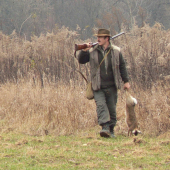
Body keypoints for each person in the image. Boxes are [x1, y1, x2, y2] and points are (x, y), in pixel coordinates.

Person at [77, 28, 130, 138]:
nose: (98, 39)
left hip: (112, 86)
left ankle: (111, 130)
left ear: (107, 39)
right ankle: (104, 127)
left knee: (112, 109)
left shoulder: (116, 51)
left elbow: (122, 67)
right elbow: (81, 60)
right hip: (98, 86)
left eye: (100, 37)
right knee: (101, 106)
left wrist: (126, 81)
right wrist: (84, 50)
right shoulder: (92, 50)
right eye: (98, 37)